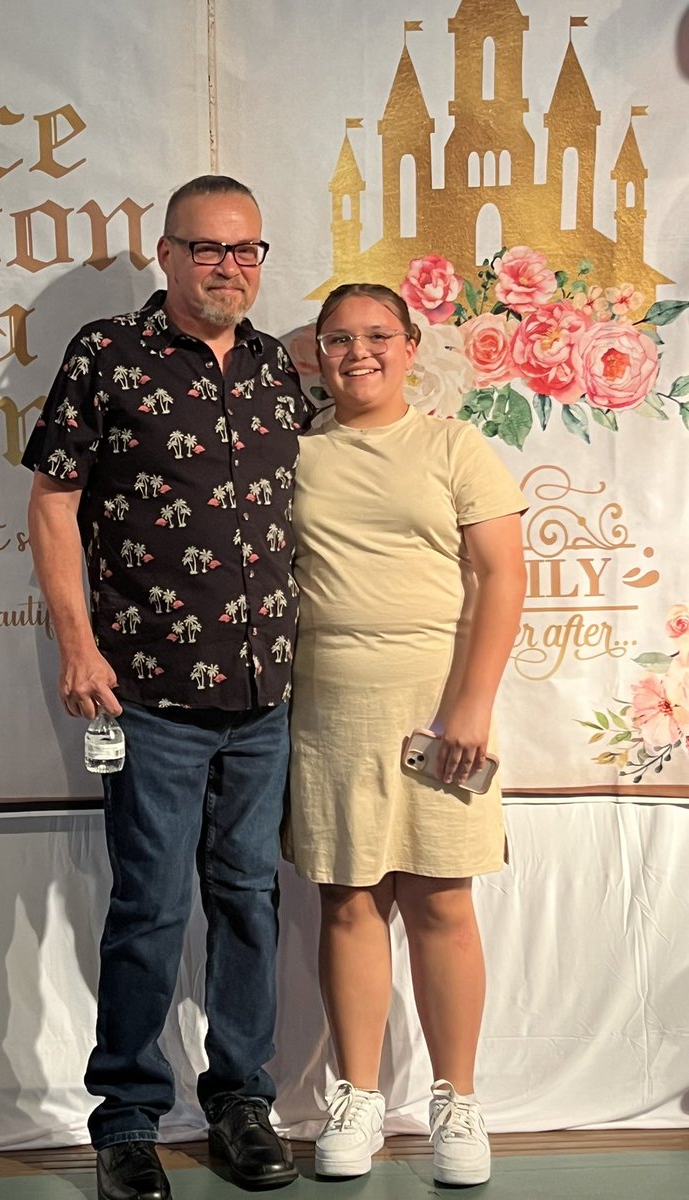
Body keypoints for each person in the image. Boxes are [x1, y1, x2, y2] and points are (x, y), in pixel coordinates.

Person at [22, 176, 306, 1200]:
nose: (227, 265)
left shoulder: (279, 367)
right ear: (168, 253)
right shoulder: (108, 354)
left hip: (265, 694)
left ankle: (241, 1102)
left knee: (249, 900)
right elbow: (53, 502)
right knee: (148, 907)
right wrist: (77, 645)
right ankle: (129, 1121)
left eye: (245, 249)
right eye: (207, 248)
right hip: (146, 693)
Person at [285, 283, 527, 1186]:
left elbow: (502, 578)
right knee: (348, 899)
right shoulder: (296, 455)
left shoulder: (455, 444)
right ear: (316, 352)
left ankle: (456, 1104)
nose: (359, 353)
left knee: (441, 900)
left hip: (439, 700)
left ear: (411, 344)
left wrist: (470, 703)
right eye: (339, 338)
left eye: (377, 335)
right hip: (329, 702)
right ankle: (354, 1099)